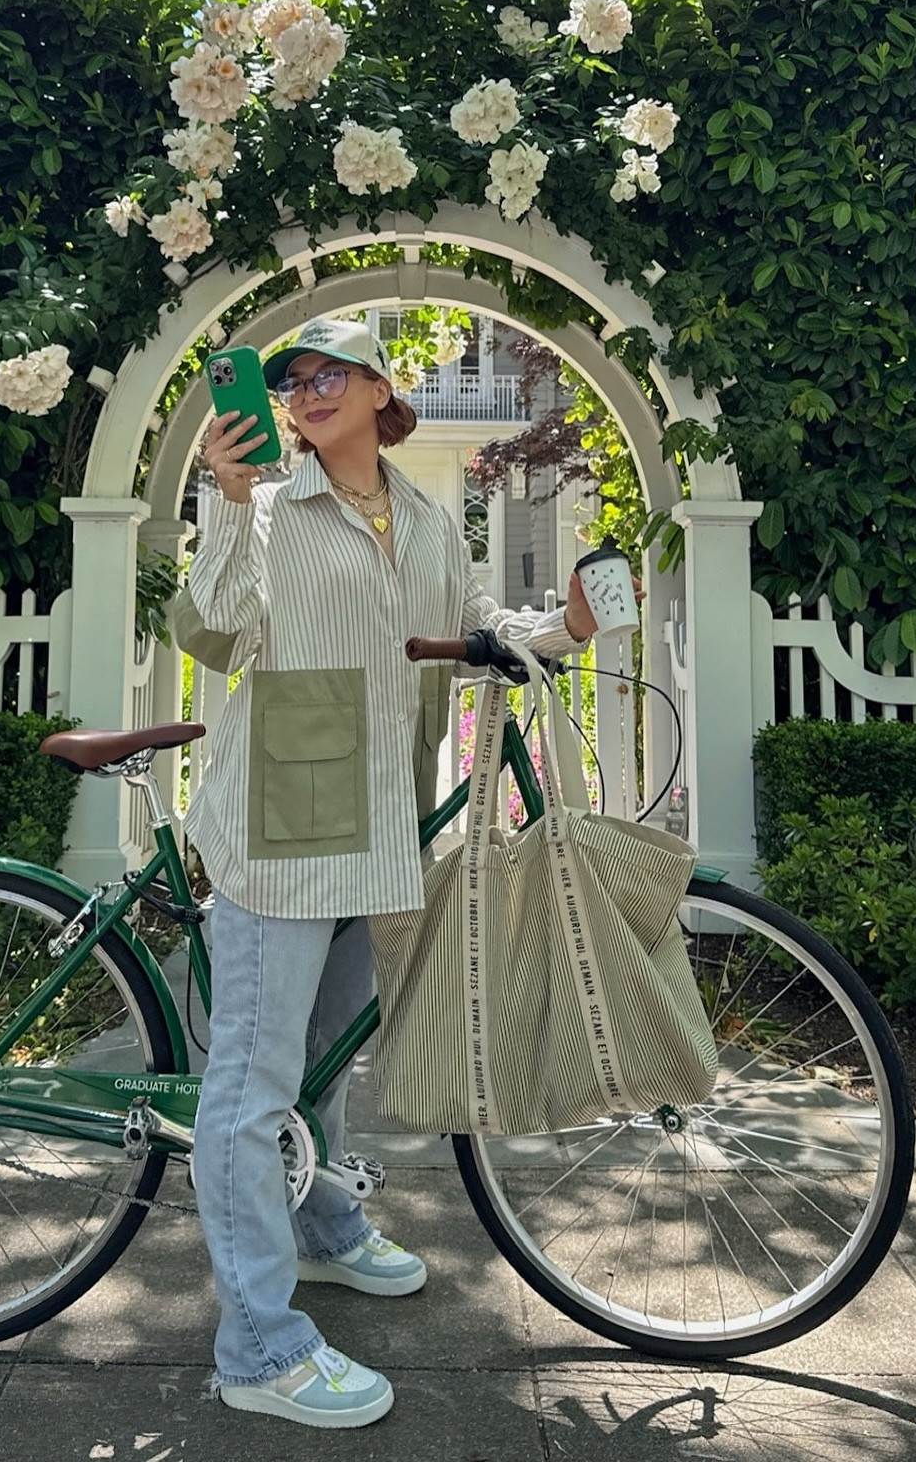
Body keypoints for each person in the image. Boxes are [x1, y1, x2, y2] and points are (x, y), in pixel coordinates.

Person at [184, 316, 601, 1431]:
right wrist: (224, 501)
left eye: (331, 374)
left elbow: (472, 627)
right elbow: (214, 631)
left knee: (325, 1065)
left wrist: (557, 627)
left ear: (379, 387)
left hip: (379, 820)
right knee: (251, 1088)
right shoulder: (266, 507)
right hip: (280, 819)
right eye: (291, 382)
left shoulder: (425, 518)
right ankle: (258, 1348)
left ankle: (322, 1232)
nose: (308, 392)